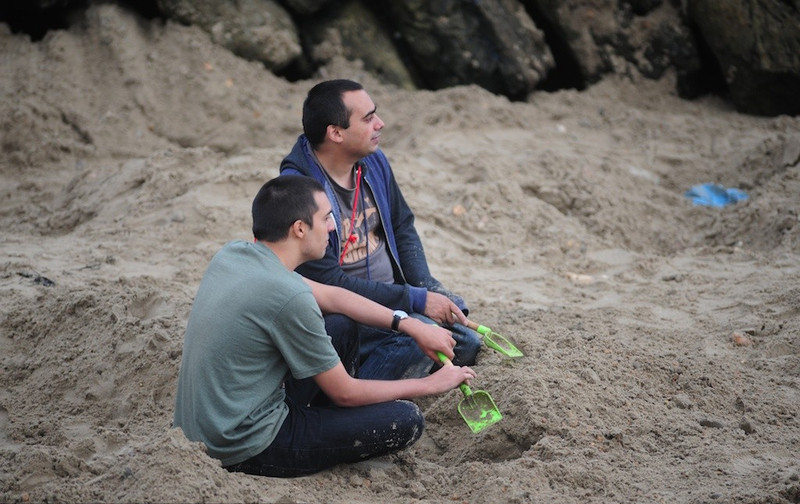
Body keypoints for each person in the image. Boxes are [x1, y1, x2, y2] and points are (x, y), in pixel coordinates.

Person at [173, 175, 475, 478]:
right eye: (326, 217)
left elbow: (334, 296)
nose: (333, 227)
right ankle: (326, 425)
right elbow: (346, 393)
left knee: (341, 325)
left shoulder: (235, 254)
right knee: (406, 419)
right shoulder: (290, 297)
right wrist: (429, 384)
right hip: (245, 444)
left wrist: (409, 324)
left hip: (205, 426)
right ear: (300, 229)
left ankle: (327, 420)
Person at [280, 79, 482, 380]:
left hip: (393, 300)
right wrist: (415, 301)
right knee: (418, 340)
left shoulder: (371, 159)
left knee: (466, 343)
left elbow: (402, 226)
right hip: (345, 316)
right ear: (336, 133)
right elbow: (329, 284)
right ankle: (356, 391)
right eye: (368, 118)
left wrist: (427, 289)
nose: (380, 123)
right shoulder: (299, 191)